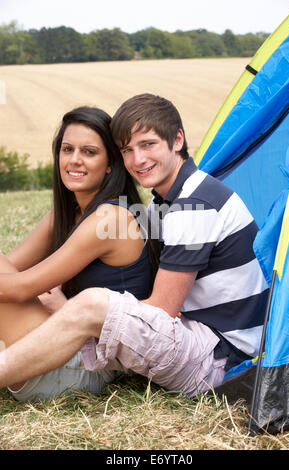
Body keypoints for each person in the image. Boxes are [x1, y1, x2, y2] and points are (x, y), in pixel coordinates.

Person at [0, 94, 269, 398]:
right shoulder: (161, 205)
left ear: (177, 140)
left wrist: (71, 315)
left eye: (148, 145)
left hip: (221, 358)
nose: (137, 160)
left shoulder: (196, 206)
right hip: (197, 336)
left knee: (92, 303)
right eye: (128, 149)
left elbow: (161, 309)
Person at [0, 105, 158, 402]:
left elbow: (20, 288)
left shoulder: (110, 218)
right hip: (57, 342)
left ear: (111, 163)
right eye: (67, 149)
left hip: (83, 367)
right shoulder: (69, 214)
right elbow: (12, 267)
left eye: (88, 152)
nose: (74, 160)